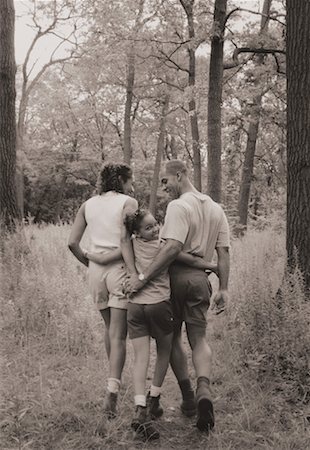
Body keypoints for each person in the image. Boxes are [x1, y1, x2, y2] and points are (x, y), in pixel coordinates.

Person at [88, 208, 218, 440]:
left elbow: (120, 244)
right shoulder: (163, 246)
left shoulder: (131, 245)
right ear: (137, 232)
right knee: (165, 350)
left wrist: (90, 256)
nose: (156, 228)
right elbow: (183, 256)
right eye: (149, 227)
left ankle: (140, 411)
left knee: (140, 358)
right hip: (159, 306)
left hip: (135, 307)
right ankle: (154, 397)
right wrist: (211, 265)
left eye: (155, 223)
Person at [124, 159, 230, 434]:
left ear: (180, 174)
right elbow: (224, 253)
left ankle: (188, 397)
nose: (164, 186)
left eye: (165, 180)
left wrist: (143, 278)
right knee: (199, 339)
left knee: (170, 341)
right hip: (200, 284)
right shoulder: (217, 209)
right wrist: (224, 288)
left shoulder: (178, 206)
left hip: (173, 282)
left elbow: (171, 248)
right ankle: (203, 388)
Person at [68, 162, 138, 419]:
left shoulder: (88, 205)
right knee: (119, 335)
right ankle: (112, 393)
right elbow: (132, 241)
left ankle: (113, 380)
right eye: (131, 181)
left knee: (109, 330)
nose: (133, 186)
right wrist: (114, 261)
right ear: (121, 179)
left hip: (95, 272)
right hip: (119, 268)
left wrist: (92, 261)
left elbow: (72, 242)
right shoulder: (129, 203)